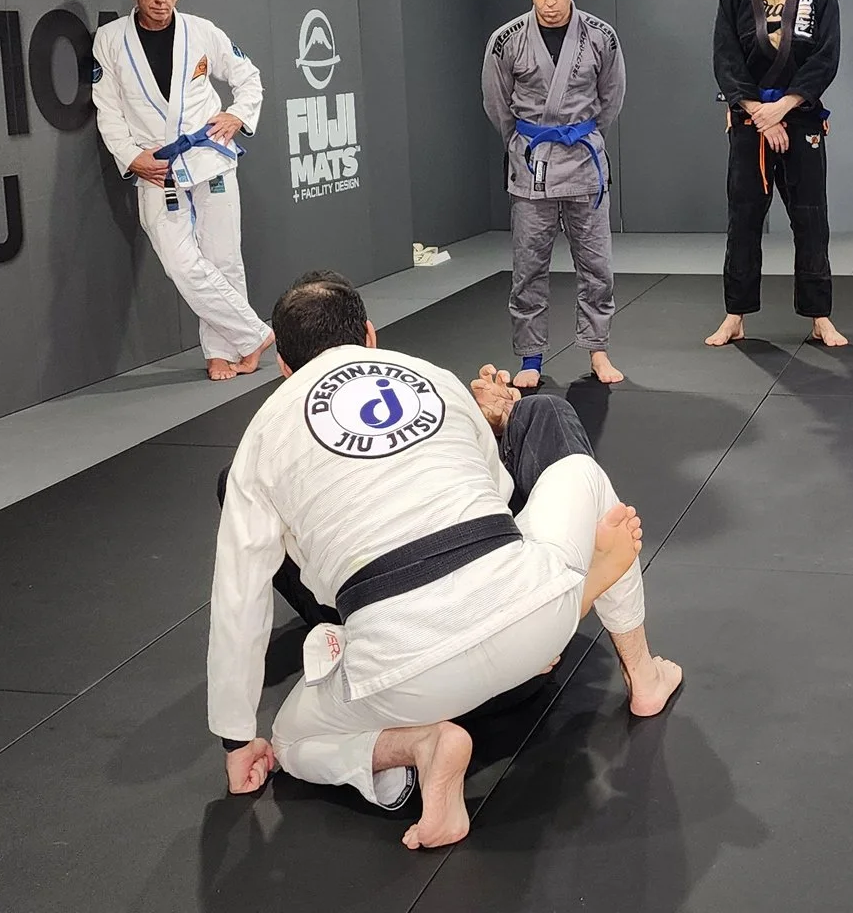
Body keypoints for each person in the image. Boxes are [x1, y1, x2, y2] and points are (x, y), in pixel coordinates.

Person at [209, 272, 684, 850]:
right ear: (369, 334)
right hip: (526, 623)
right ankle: (644, 675)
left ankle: (420, 746)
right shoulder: (430, 377)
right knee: (579, 475)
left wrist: (237, 740)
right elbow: (500, 487)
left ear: (282, 365)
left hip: (400, 673)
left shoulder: (261, 436)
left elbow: (240, 597)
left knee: (290, 739)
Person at [91, 0, 273, 381]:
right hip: (155, 165)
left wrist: (238, 115)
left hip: (209, 157)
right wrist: (131, 157)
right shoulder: (110, 40)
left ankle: (221, 352)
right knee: (180, 263)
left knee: (224, 260)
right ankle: (254, 335)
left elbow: (248, 77)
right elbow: (107, 108)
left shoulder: (202, 32)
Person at [483, 0, 629, 390]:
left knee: (596, 265)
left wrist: (584, 135)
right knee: (529, 267)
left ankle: (598, 350)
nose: (550, 1)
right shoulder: (505, 40)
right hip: (532, 166)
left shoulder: (601, 36)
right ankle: (531, 357)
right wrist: (521, 143)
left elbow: (612, 97)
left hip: (583, 162)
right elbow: (497, 104)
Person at [707, 0, 848, 349]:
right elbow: (726, 60)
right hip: (750, 123)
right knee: (743, 220)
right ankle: (735, 315)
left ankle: (819, 316)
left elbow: (826, 58)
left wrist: (783, 107)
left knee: (811, 220)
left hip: (801, 119)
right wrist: (759, 114)